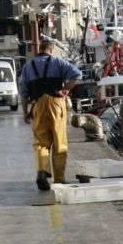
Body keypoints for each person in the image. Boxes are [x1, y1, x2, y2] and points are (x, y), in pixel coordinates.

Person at [19, 39, 82, 190]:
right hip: (56, 104)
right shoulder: (58, 62)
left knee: (41, 142)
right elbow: (77, 75)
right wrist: (66, 89)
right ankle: (59, 179)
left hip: (37, 104)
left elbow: (23, 92)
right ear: (51, 50)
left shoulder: (28, 66)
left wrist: (25, 112)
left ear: (39, 49)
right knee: (59, 142)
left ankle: (42, 171)